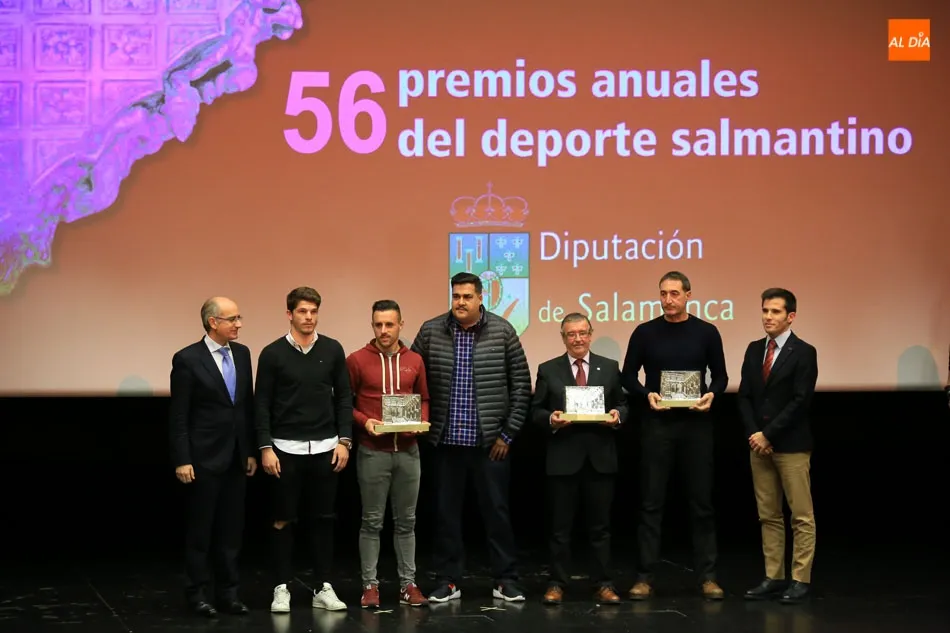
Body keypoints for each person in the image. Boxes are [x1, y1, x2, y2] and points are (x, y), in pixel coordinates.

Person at [410, 272, 531, 603]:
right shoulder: (431, 331)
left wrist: (507, 434)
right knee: (446, 516)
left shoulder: (503, 331)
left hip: (490, 444)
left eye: (467, 296)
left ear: (481, 299)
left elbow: (521, 386)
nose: (460, 302)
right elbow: (410, 375)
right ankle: (448, 580)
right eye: (456, 296)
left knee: (497, 514)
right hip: (445, 444)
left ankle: (505, 579)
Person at [620, 271, 728, 600]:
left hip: (696, 426)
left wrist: (712, 395)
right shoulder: (645, 332)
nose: (668, 300)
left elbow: (721, 376)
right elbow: (627, 376)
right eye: (663, 293)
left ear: (688, 295)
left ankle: (707, 577)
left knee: (702, 504)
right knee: (651, 502)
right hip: (657, 424)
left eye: (674, 294)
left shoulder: (707, 332)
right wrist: (646, 395)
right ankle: (644, 577)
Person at [255, 287, 354, 613]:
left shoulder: (332, 349)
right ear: (289, 314)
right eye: (302, 312)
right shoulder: (272, 354)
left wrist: (344, 441)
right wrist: (266, 447)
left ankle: (321, 586)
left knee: (323, 520)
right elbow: (262, 405)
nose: (308, 318)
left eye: (313, 311)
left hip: (326, 449)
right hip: (285, 450)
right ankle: (281, 586)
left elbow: (343, 398)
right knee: (283, 519)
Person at [168, 296, 257, 618]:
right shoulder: (188, 359)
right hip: (203, 459)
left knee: (231, 533)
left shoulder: (243, 354)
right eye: (232, 319)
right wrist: (182, 458)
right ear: (213, 323)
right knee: (201, 532)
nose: (239, 324)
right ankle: (197, 594)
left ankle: (229, 594)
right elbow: (179, 415)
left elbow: (244, 407)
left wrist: (249, 451)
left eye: (239, 317)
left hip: (236, 458)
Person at [530, 313, 626, 606]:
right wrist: (551, 419)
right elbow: (536, 411)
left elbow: (622, 403)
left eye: (583, 333)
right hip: (563, 459)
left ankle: (604, 584)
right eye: (571, 334)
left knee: (600, 528)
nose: (578, 339)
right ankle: (557, 584)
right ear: (563, 338)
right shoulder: (549, 369)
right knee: (560, 529)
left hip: (600, 458)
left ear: (591, 334)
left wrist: (618, 416)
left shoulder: (609, 368)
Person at [346, 300, 430, 608]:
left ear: (400, 325)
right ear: (372, 326)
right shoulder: (356, 360)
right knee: (371, 522)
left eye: (389, 324)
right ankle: (370, 585)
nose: (384, 330)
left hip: (409, 452)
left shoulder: (416, 361)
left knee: (407, 521)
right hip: (373, 452)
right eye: (378, 325)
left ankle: (408, 584)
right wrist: (364, 421)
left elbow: (425, 399)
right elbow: (346, 404)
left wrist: (421, 422)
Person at [738, 288, 818, 605]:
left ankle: (800, 578)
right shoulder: (754, 349)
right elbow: (744, 396)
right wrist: (755, 434)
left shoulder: (804, 351)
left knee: (801, 515)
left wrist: (769, 434)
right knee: (768, 514)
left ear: (790, 316)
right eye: (765, 311)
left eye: (775, 312)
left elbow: (801, 401)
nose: (768, 317)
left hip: (791, 444)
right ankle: (774, 576)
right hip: (759, 445)